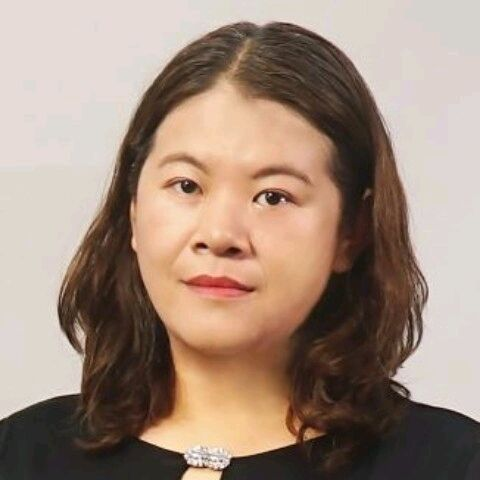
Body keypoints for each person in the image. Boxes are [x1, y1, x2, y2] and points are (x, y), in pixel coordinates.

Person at [0, 20, 478, 480]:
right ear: (133, 210)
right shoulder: (20, 453)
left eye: (273, 196)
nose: (219, 234)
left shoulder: (450, 463)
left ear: (351, 232)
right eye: (186, 185)